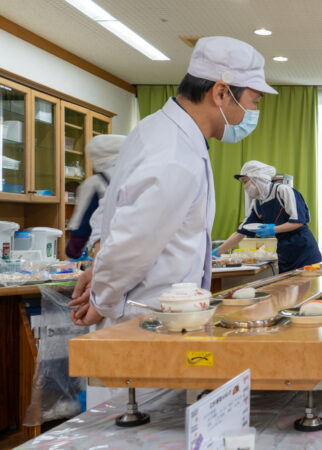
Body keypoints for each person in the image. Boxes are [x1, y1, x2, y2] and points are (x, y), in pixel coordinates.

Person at [69, 36, 275, 327]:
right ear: (221, 94)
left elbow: (114, 209)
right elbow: (133, 242)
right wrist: (101, 300)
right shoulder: (175, 154)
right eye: (253, 102)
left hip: (151, 311)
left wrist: (102, 271)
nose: (252, 113)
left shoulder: (155, 130)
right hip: (147, 317)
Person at [214, 161, 321, 273]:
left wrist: (273, 229)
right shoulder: (257, 203)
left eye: (246, 182)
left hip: (304, 253)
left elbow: (299, 221)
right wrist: (217, 253)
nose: (245, 187)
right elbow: (240, 232)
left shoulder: (283, 191)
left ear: (258, 179)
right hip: (285, 255)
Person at [65, 134, 126, 259]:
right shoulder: (139, 177)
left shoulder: (95, 183)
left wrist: (73, 251)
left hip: (110, 254)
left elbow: (81, 227)